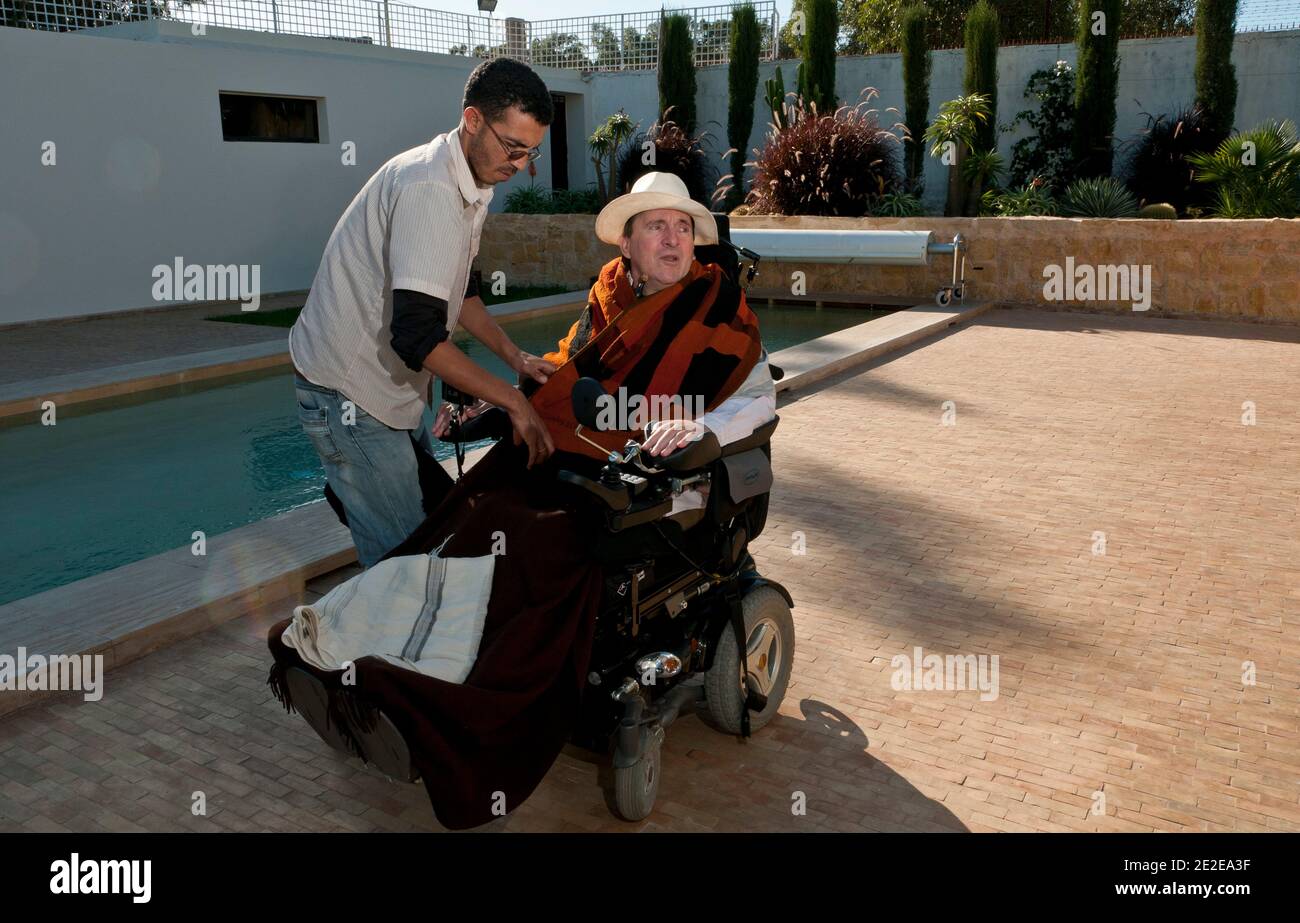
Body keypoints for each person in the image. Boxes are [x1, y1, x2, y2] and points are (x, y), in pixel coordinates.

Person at [269, 171, 775, 830]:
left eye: (683, 226)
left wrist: (703, 426)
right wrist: (499, 401)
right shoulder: (610, 301)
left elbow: (758, 399)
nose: (673, 238)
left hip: (668, 485)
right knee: (473, 514)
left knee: (534, 542)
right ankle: (366, 652)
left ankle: (458, 709)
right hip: (586, 466)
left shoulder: (719, 310)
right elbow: (567, 378)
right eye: (656, 225)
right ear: (628, 242)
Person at [288, 58, 558, 568]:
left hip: (389, 389)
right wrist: (514, 404)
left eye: (531, 151)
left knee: (428, 529)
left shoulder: (468, 180)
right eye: (514, 148)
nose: (521, 164)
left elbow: (464, 295)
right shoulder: (430, 188)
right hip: (349, 392)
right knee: (403, 563)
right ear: (473, 120)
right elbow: (416, 336)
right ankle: (374, 642)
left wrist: (515, 358)